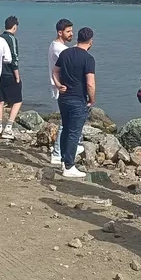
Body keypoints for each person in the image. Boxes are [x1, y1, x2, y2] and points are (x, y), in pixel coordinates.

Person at [53, 26, 96, 180]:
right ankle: (69, 166)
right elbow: (90, 83)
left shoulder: (65, 53)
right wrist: (92, 99)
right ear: (90, 41)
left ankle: (64, 161)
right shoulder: (88, 59)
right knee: (74, 132)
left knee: (66, 128)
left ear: (78, 38)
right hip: (78, 98)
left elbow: (55, 71)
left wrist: (58, 85)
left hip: (63, 97)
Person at [47, 19, 74, 166]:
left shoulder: (56, 45)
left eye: (71, 31)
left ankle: (66, 149)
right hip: (63, 88)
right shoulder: (59, 49)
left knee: (68, 122)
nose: (71, 34)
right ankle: (58, 153)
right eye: (68, 31)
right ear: (60, 32)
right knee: (66, 123)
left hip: (61, 87)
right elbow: (70, 62)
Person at [0, 16, 23, 139]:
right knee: (17, 101)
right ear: (15, 27)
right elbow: (14, 57)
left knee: (0, 100)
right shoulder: (12, 39)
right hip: (9, 73)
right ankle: (8, 127)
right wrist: (17, 76)